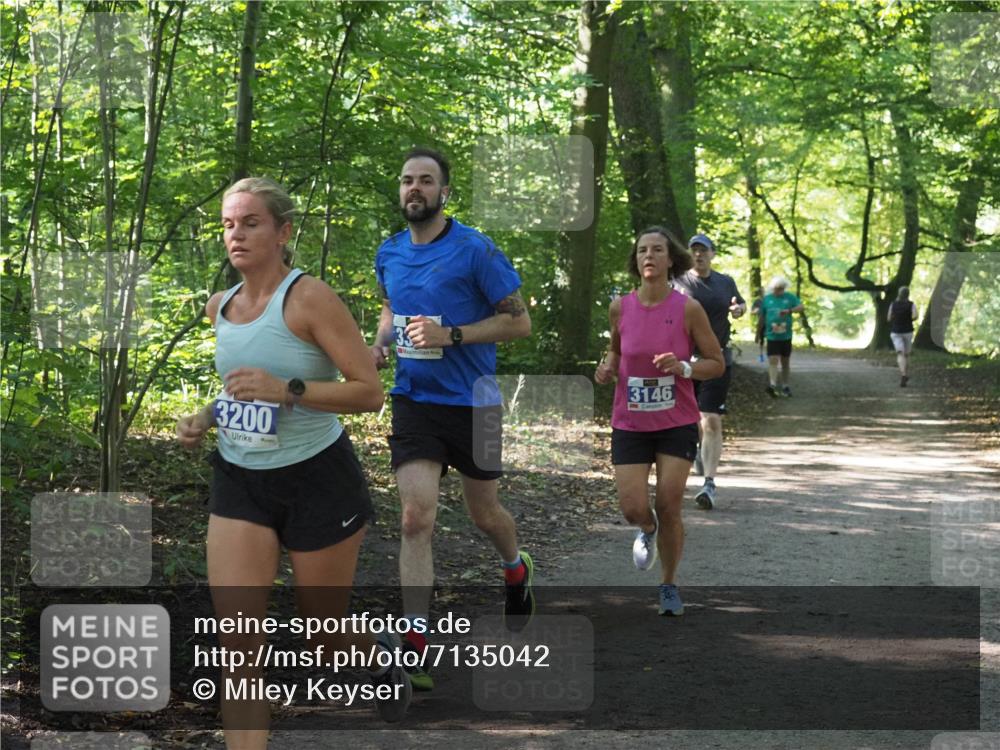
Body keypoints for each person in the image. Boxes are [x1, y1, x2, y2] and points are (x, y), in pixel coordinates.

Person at [176, 177, 410, 747]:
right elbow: (240, 388)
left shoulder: (310, 299)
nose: (236, 234)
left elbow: (368, 393)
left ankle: (379, 663)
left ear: (283, 232)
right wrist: (207, 417)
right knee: (239, 645)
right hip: (240, 480)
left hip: (316, 478)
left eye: (251, 222)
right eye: (229, 224)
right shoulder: (221, 307)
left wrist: (288, 390)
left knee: (322, 631)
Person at [371, 147, 534, 690]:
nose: (413, 189)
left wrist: (453, 335)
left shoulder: (476, 251)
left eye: (425, 181)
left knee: (485, 514)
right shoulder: (389, 252)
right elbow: (391, 306)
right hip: (415, 400)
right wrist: (378, 343)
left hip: (476, 401)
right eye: (406, 180)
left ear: (444, 192)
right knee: (416, 517)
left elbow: (519, 324)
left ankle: (516, 568)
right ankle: (416, 643)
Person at [595, 226, 724, 616]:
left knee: (669, 504)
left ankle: (668, 584)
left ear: (671, 260)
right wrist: (607, 367)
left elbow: (716, 363)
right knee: (633, 507)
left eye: (656, 250)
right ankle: (646, 530)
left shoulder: (687, 308)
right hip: (630, 423)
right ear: (635, 261)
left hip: (675, 421)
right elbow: (616, 351)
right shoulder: (620, 307)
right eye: (641, 251)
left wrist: (684, 367)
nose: (648, 256)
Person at [673, 233, 746, 510]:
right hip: (682, 362)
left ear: (712, 254)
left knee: (711, 419)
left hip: (716, 360)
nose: (699, 255)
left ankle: (709, 483)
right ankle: (699, 457)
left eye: (703, 250)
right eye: (694, 251)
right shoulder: (677, 282)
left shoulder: (725, 282)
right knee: (690, 419)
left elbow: (739, 304)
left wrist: (739, 309)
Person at [759, 276, 804, 397]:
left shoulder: (789, 297)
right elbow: (762, 317)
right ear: (772, 288)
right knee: (773, 360)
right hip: (771, 335)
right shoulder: (767, 299)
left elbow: (801, 307)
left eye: (781, 289)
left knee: (785, 361)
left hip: (786, 335)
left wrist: (789, 311)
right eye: (776, 289)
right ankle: (772, 385)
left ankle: (785, 385)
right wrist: (759, 333)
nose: (778, 291)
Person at [888, 286, 918, 387]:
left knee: (900, 353)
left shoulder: (893, 304)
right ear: (908, 294)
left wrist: (896, 318)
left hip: (896, 331)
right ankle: (905, 374)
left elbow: (889, 318)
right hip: (908, 331)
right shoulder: (911, 304)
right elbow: (915, 316)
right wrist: (908, 318)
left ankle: (903, 374)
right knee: (906, 354)